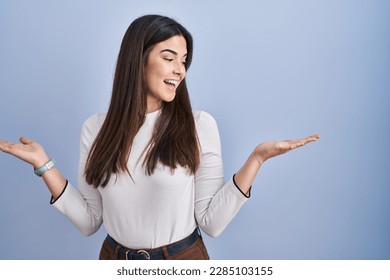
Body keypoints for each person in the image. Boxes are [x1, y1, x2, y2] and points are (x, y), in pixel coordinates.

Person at [0, 14, 319, 260]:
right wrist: (44, 164)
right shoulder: (95, 129)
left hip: (183, 260)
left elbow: (211, 222)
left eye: (184, 61)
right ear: (137, 59)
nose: (180, 69)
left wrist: (257, 159)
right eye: (169, 58)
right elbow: (89, 221)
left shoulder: (199, 125)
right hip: (114, 261)